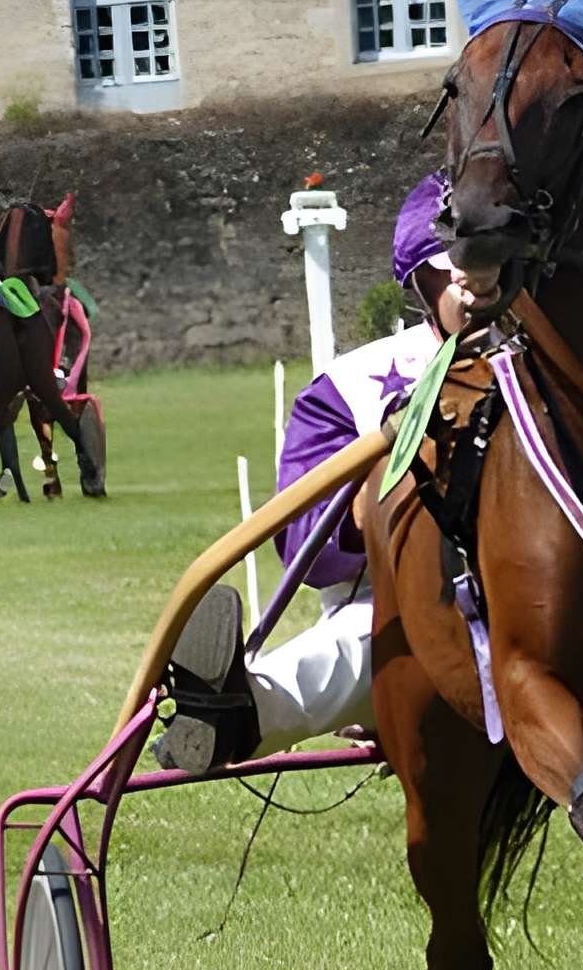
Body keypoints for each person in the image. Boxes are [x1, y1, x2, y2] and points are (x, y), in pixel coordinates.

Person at [154, 172, 472, 775]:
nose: (469, 279)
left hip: (543, 587)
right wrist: (384, 487)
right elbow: (306, 549)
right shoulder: (349, 389)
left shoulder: (553, 365)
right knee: (377, 635)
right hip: (402, 602)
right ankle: (234, 711)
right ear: (420, 281)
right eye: (448, 264)